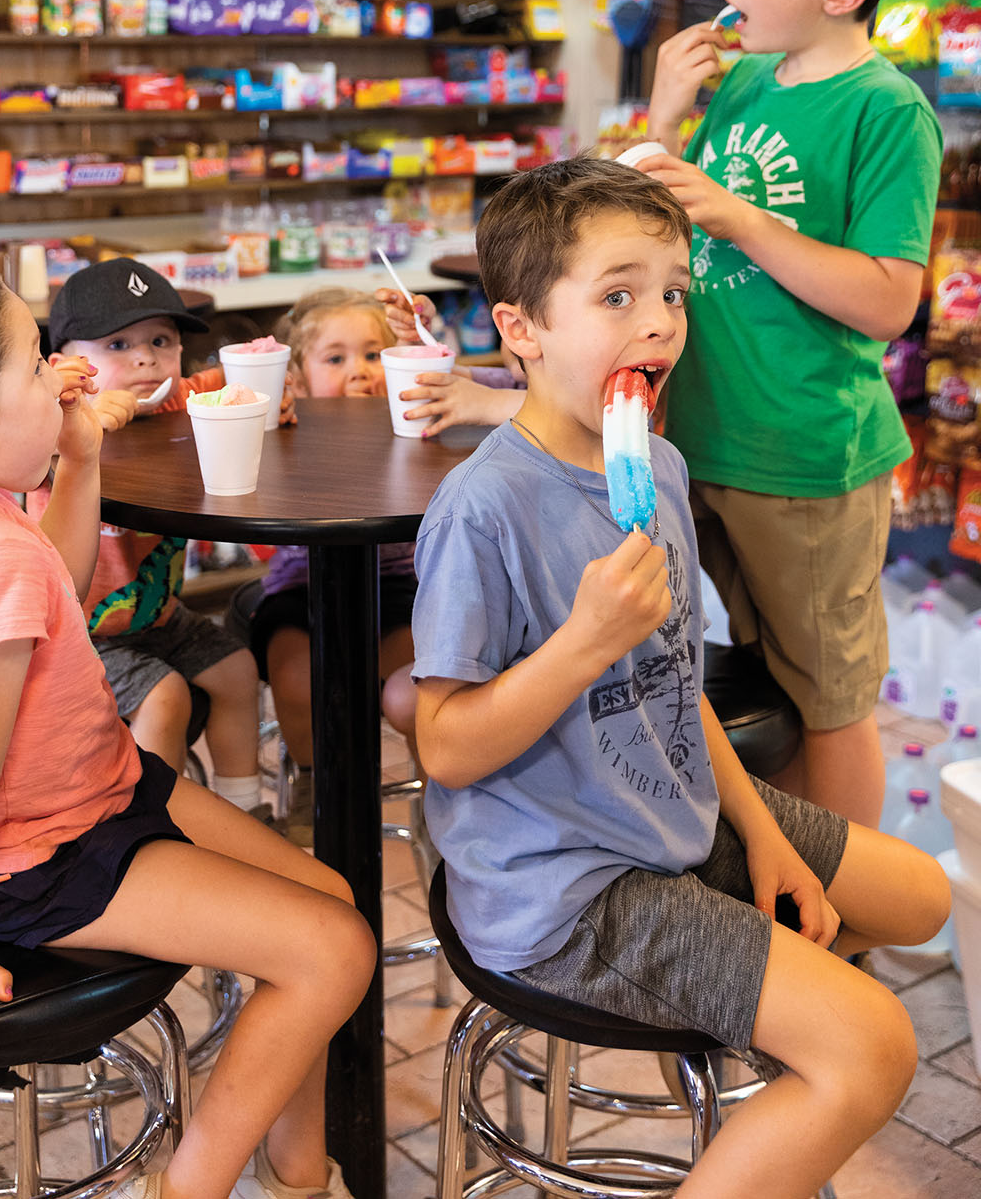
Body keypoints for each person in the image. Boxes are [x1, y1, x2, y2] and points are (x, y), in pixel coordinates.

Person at [410, 156, 950, 1199]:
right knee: (874, 1044)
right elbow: (444, 744)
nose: (659, 321)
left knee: (922, 894)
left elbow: (671, 683)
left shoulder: (656, 467)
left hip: (673, 816)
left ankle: (766, 1016)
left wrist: (757, 829)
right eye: (617, 294)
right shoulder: (485, 511)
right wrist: (583, 638)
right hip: (563, 885)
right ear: (520, 329)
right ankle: (787, 1047)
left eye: (672, 291)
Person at [0, 251, 374, 1199]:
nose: (68, 374)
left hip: (106, 792)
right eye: (33, 361)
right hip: (42, 858)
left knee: (330, 897)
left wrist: (79, 457)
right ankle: (194, 1187)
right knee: (334, 949)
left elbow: (50, 580)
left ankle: (300, 1168)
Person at [643, 0, 943, 828]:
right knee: (772, 684)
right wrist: (660, 115)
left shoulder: (887, 111)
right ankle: (792, 888)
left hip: (808, 456)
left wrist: (743, 220)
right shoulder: (745, 82)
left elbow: (891, 300)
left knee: (831, 705)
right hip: (707, 438)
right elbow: (642, 233)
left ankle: (852, 924)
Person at [34, 258, 274, 817]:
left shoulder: (175, 401)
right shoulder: (54, 421)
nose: (145, 358)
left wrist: (268, 399)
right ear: (66, 367)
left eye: (161, 340)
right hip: (77, 636)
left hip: (157, 617)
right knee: (164, 697)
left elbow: (233, 382)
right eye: (117, 345)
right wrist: (74, 418)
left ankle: (246, 815)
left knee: (239, 669)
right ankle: (154, 832)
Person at [227, 288, 418, 844]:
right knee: (295, 672)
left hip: (402, 586)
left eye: (373, 354)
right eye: (335, 359)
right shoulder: (287, 430)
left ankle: (451, 802)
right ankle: (315, 787)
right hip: (304, 588)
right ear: (298, 380)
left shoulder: (408, 423)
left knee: (433, 672)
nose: (359, 371)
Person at [376, 288, 526, 437]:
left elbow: (549, 412)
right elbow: (430, 377)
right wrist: (414, 335)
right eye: (516, 322)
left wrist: (491, 403)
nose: (517, 332)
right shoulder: (514, 382)